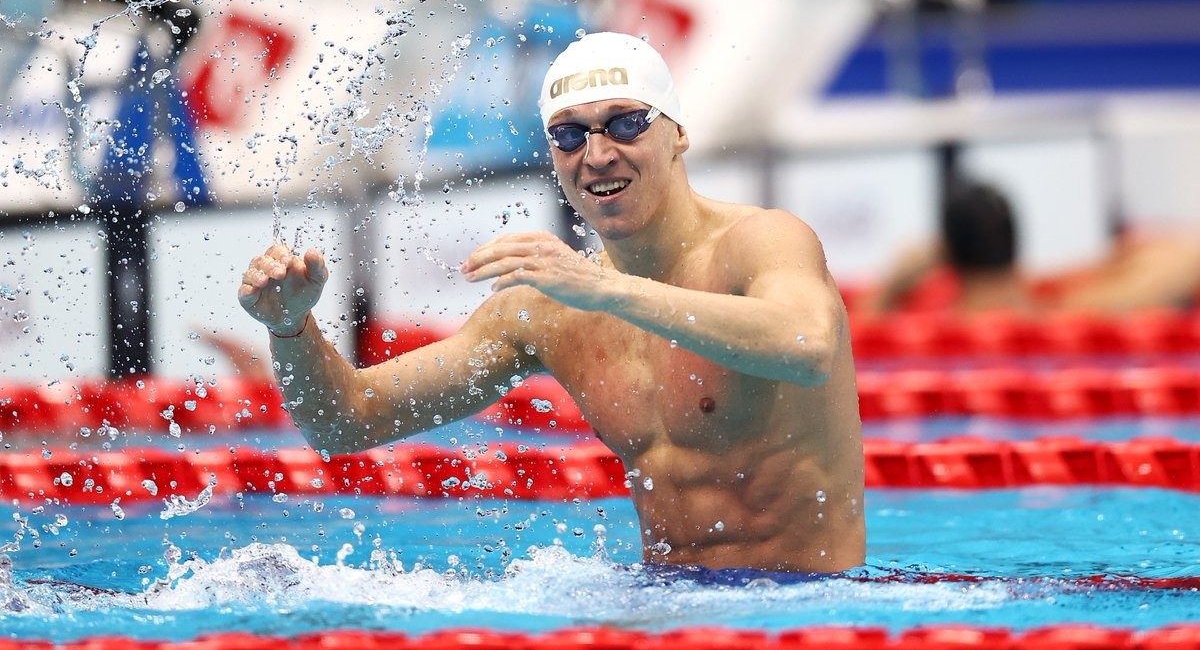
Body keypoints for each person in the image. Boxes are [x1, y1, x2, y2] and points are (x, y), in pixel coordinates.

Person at [238, 32, 865, 574]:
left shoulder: (761, 242)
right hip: (670, 605)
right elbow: (346, 423)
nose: (597, 155)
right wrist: (291, 332)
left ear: (678, 134)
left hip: (805, 610)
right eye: (569, 135)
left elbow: (807, 345)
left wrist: (608, 289)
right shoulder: (549, 309)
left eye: (626, 123)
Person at [863, 178, 1200, 313]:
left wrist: (891, 286)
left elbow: (843, 348)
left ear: (947, 253)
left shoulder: (930, 321)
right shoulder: (1061, 314)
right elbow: (1189, 257)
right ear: (1016, 242)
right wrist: (1112, 262)